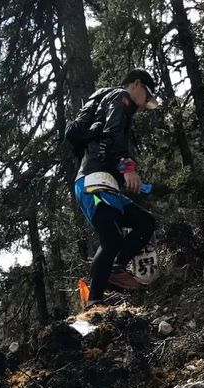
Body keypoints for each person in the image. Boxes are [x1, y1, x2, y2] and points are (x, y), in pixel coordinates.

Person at [70, 69, 159, 308]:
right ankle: (95, 300)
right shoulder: (120, 98)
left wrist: (145, 186)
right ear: (137, 84)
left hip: (107, 184)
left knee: (145, 222)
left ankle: (113, 272)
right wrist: (127, 165)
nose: (144, 104)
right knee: (111, 239)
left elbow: (107, 143)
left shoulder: (110, 104)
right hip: (92, 182)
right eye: (147, 96)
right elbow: (113, 133)